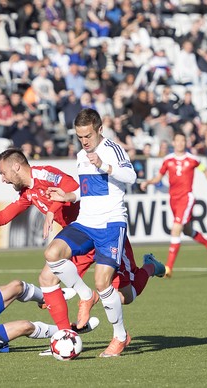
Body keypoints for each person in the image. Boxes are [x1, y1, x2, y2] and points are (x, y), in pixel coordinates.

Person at [0, 149, 164, 353]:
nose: (3, 179)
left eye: (3, 173)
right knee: (47, 278)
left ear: (16, 166)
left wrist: (51, 210)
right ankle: (65, 337)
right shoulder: (27, 193)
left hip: (102, 230)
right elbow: (3, 217)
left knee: (124, 297)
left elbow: (71, 186)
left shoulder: (44, 174)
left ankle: (149, 267)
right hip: (78, 240)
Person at [43, 108, 137, 357]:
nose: (84, 141)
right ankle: (86, 296)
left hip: (110, 224)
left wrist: (105, 165)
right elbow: (87, 190)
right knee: (52, 253)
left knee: (102, 281)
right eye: (80, 137)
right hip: (85, 222)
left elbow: (131, 175)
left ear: (99, 130)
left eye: (88, 136)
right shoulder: (80, 155)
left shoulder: (112, 150)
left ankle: (119, 336)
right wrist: (69, 196)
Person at [140, 132, 207, 278]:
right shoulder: (168, 160)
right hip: (173, 200)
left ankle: (168, 268)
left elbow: (205, 170)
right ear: (173, 143)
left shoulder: (192, 160)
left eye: (183, 141)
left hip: (186, 198)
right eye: (178, 141)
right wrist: (148, 182)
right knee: (187, 231)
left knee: (176, 229)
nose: (180, 143)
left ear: (186, 142)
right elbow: (159, 177)